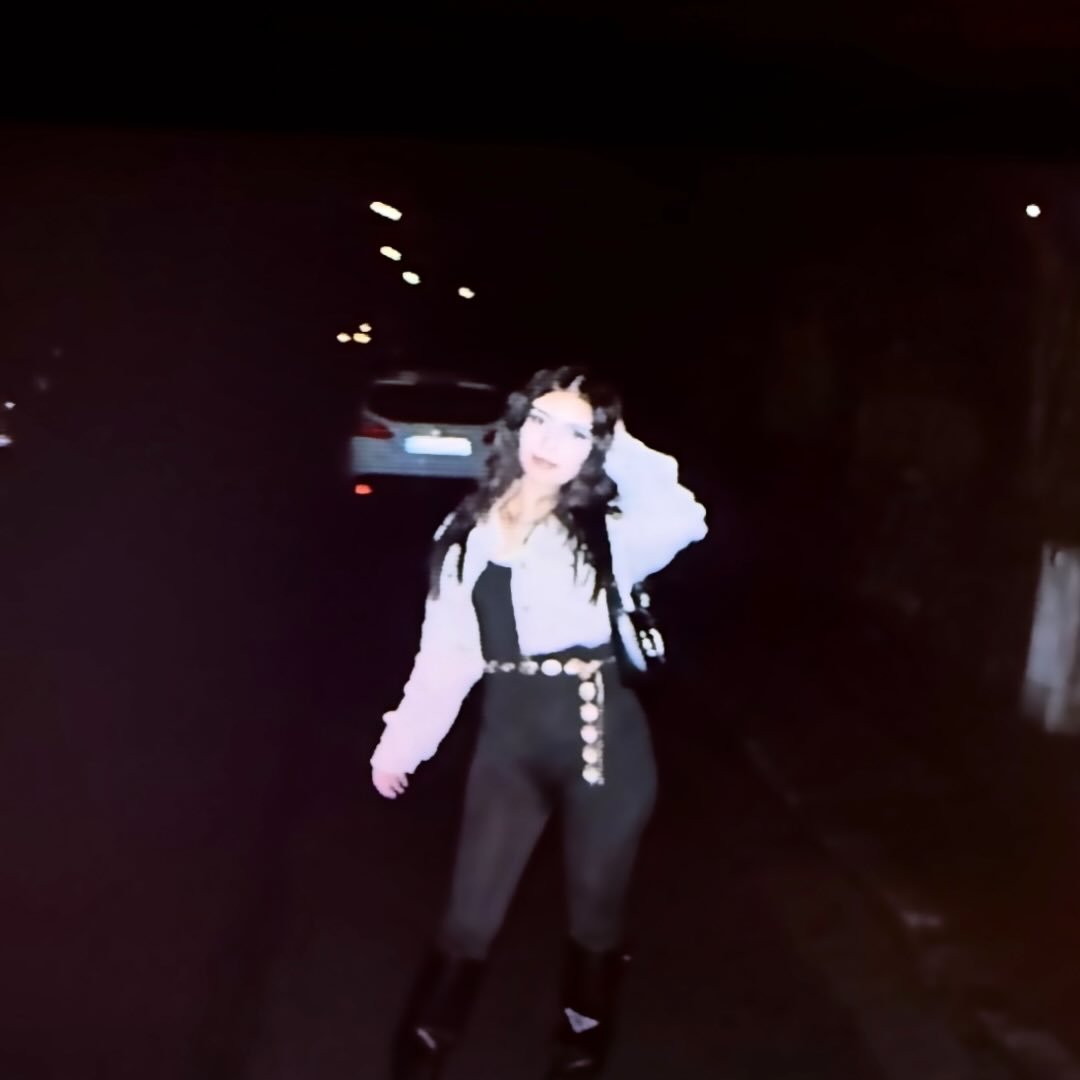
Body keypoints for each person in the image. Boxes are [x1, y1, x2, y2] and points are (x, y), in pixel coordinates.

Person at [370, 366, 708, 1078]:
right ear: (516, 426)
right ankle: (417, 1059)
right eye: (542, 422)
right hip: (510, 745)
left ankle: (578, 1057)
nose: (552, 443)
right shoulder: (463, 532)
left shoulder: (609, 534)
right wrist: (403, 742)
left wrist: (615, 438)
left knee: (595, 913)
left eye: (577, 433)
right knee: (469, 913)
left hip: (606, 748)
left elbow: (686, 516)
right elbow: (447, 651)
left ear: (597, 448)